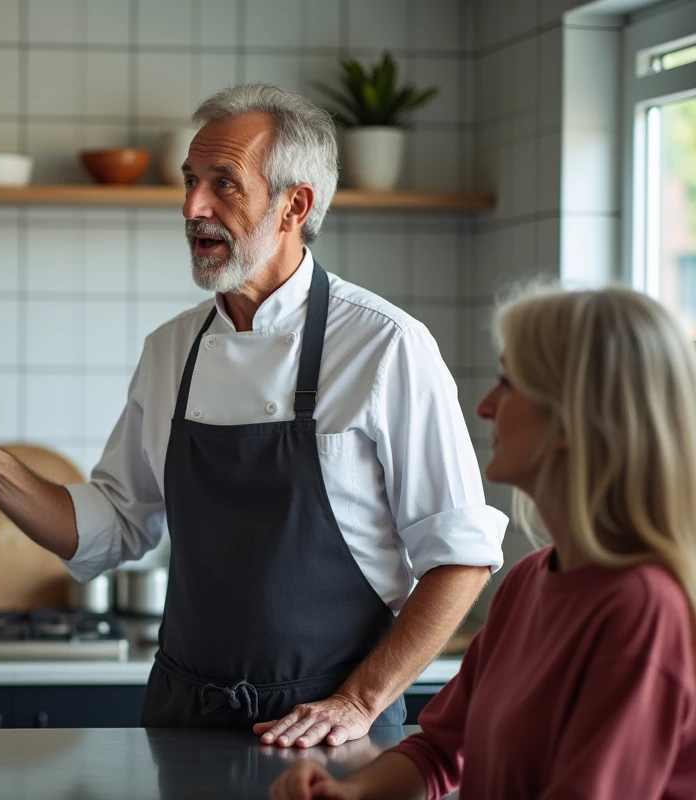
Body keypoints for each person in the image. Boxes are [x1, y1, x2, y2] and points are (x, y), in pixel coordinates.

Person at [0, 82, 507, 746]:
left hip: (328, 734)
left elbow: (461, 557)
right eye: (188, 182)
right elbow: (114, 526)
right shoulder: (171, 350)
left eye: (223, 185)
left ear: (294, 205)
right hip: (185, 718)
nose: (192, 208)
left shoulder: (384, 346)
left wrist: (357, 702)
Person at [269, 284, 696, 799]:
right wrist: (352, 793)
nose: (486, 405)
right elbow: (441, 750)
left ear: (570, 415)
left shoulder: (641, 610)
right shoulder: (529, 582)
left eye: (509, 383)